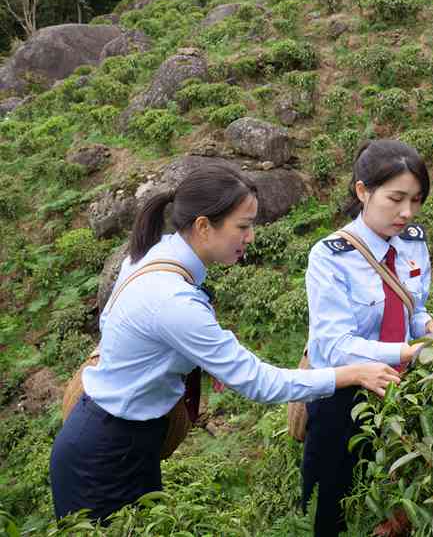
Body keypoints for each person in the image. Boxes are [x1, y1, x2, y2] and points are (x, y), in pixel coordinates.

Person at [50, 162, 400, 524]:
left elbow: (113, 322)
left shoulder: (154, 254)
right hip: (103, 458)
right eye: (243, 227)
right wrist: (350, 373)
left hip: (125, 440)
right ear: (203, 226)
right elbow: (259, 382)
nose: (251, 238)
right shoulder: (173, 300)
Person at [302, 139, 433, 536]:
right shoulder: (330, 256)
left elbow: (414, 310)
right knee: (337, 503)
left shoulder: (413, 242)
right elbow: (335, 345)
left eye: (416, 199)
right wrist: (413, 350)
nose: (406, 212)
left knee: (398, 500)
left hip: (400, 393)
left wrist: (431, 328)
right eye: (395, 199)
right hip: (345, 397)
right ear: (363, 191)